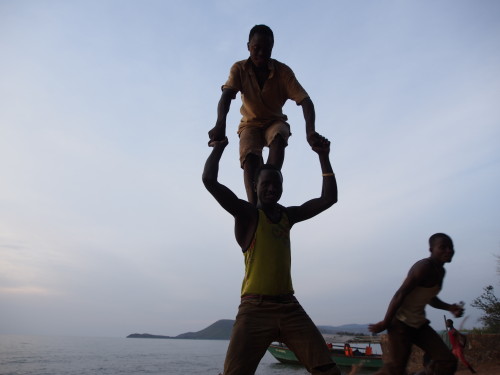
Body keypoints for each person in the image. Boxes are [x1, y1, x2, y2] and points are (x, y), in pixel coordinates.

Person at [203, 135, 341, 375]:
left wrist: (324, 157)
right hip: (254, 309)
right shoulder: (247, 215)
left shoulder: (288, 216)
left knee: (328, 370)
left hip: (290, 308)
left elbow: (329, 199)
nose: (271, 188)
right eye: (265, 183)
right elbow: (209, 180)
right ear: (254, 186)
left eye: (276, 184)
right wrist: (218, 149)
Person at [208, 24, 324, 204]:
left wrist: (310, 132)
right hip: (250, 124)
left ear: (272, 48)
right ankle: (255, 207)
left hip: (273, 121)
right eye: (256, 48)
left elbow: (306, 102)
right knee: (249, 157)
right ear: (248, 47)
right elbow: (226, 96)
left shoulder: (283, 72)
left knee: (279, 135)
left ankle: (269, 190)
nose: (261, 53)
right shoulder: (239, 69)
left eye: (266, 49)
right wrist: (220, 124)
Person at [368, 233, 465, 375]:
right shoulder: (423, 267)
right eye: (443, 247)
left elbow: (431, 298)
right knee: (396, 369)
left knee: (447, 361)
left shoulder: (440, 271)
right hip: (400, 323)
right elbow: (399, 294)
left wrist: (450, 307)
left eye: (451, 247)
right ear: (431, 250)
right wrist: (385, 323)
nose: (448, 250)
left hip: (418, 324)